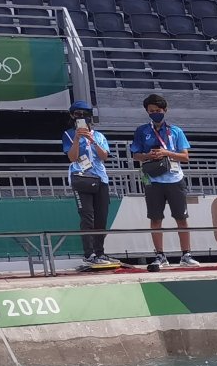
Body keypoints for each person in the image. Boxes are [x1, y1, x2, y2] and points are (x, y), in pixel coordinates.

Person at [128, 93, 195, 267]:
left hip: (175, 179)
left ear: (165, 110)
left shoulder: (175, 130)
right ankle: (160, 255)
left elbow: (185, 157)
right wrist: (147, 155)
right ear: (147, 112)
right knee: (155, 218)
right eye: (151, 111)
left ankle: (186, 254)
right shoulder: (142, 131)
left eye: (158, 110)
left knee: (181, 217)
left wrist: (166, 153)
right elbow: (136, 155)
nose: (155, 113)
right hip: (153, 180)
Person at [61, 100, 115, 267]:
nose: (82, 116)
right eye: (78, 114)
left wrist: (92, 140)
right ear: (72, 116)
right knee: (87, 216)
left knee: (101, 217)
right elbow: (71, 157)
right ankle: (89, 253)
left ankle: (100, 252)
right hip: (81, 177)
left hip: (100, 178)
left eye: (85, 113)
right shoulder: (69, 134)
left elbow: (104, 156)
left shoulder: (99, 135)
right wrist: (77, 139)